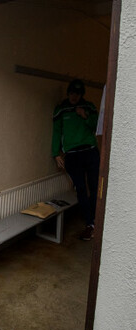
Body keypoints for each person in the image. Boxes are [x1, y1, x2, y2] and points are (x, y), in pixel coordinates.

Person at [52, 79, 100, 241]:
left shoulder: (89, 107)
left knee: (95, 187)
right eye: (72, 93)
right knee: (80, 189)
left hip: (90, 151)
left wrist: (85, 115)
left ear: (82, 95)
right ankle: (89, 224)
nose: (74, 96)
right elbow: (56, 132)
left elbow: (97, 126)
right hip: (72, 154)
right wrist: (56, 153)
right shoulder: (61, 109)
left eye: (77, 94)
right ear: (68, 93)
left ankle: (95, 221)